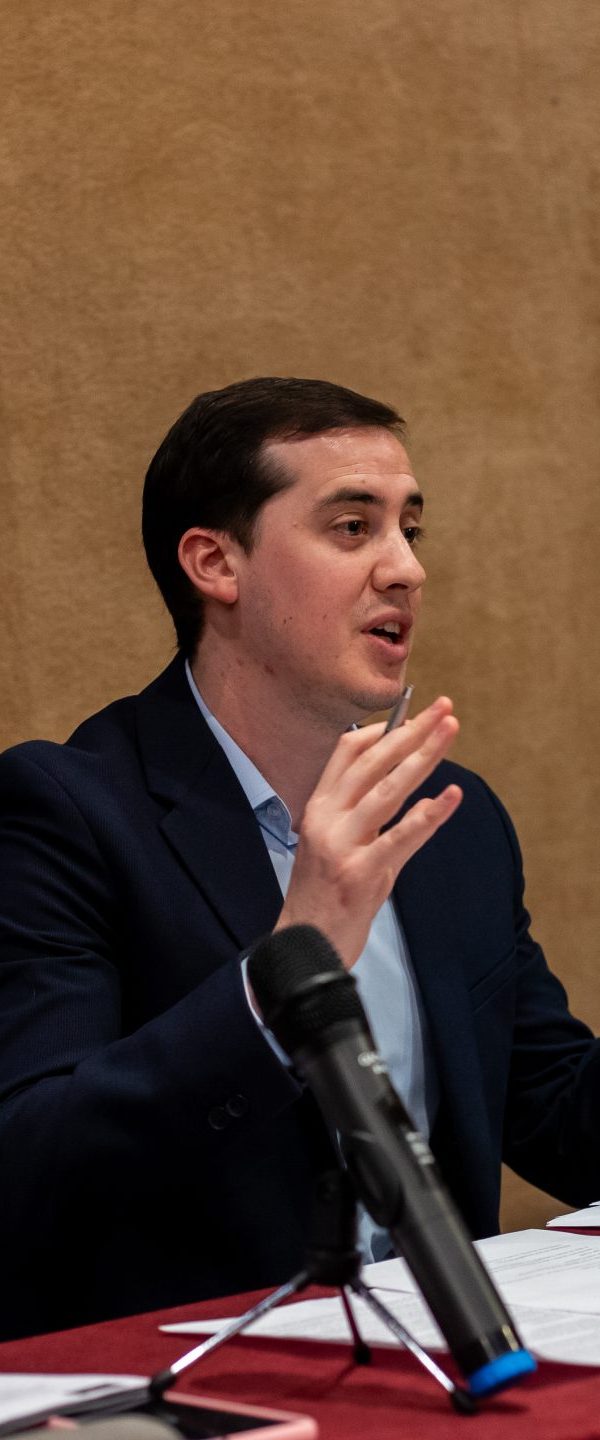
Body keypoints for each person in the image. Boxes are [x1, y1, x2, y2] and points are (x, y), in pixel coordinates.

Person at [0, 377, 598, 1344]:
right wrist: (294, 958)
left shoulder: (450, 820)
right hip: (209, 1374)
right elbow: (33, 1167)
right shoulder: (67, 813)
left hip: (452, 1364)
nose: (407, 569)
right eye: (353, 528)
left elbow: (559, 1117)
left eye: (411, 529)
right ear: (215, 563)